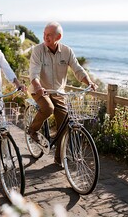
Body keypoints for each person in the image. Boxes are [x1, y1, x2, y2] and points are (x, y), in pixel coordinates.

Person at [28, 21, 97, 165]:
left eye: (49, 35)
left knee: (64, 124)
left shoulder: (67, 51)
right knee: (48, 108)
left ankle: (59, 158)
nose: (46, 37)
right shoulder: (38, 50)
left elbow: (77, 69)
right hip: (40, 90)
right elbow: (33, 73)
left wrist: (89, 82)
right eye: (44, 34)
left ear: (58, 37)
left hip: (58, 92)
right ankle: (32, 131)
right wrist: (39, 87)